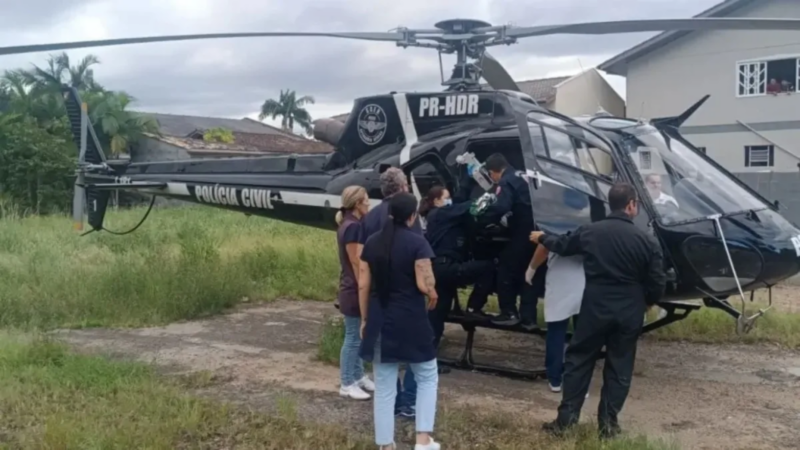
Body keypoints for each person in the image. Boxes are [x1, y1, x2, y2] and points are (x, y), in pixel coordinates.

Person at [530, 182, 667, 439]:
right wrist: (647, 301)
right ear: (631, 205)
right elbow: (658, 281)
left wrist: (542, 238)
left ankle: (565, 421)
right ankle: (608, 426)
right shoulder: (646, 240)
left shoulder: (591, 232)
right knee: (619, 366)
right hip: (629, 310)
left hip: (595, 307)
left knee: (579, 360)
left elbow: (563, 245)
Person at [358, 192, 441, 450]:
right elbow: (424, 283)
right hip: (411, 319)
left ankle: (385, 445)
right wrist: (433, 291)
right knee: (427, 375)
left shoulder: (372, 242)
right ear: (412, 216)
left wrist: (364, 319)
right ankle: (423, 440)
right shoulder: (417, 243)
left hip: (380, 319)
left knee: (384, 387)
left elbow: (363, 285)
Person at [360, 167, 420, 418]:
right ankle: (409, 400)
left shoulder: (370, 217)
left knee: (385, 355)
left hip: (378, 295)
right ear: (403, 186)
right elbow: (418, 256)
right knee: (418, 352)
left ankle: (393, 400)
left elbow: (363, 264)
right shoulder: (409, 214)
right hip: (406, 295)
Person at [418, 182, 495, 349]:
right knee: (488, 267)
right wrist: (484, 199)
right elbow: (462, 208)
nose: (450, 201)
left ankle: (428, 353)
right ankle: (474, 307)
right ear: (436, 201)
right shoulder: (439, 213)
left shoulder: (442, 216)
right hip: (446, 268)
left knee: (438, 313)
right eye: (446, 198)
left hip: (440, 270)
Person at [480, 153, 535, 327]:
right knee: (529, 274)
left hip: (521, 232)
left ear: (492, 172)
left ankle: (508, 312)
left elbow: (502, 206)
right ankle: (529, 317)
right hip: (536, 232)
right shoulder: (523, 175)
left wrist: (485, 217)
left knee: (505, 269)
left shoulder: (505, 181)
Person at [525, 242, 584, 393]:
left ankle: (555, 378)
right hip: (585, 280)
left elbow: (544, 247)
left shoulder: (556, 227)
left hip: (560, 280)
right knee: (583, 336)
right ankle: (579, 382)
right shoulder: (592, 229)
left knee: (556, 332)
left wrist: (531, 268)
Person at [335, 185, 376, 400]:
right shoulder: (352, 227)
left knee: (360, 336)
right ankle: (346, 382)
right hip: (353, 289)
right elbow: (356, 261)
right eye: (366, 199)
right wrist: (364, 288)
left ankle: (358, 375)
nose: (369, 203)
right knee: (352, 336)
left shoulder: (352, 223)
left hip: (352, 287)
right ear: (358, 204)